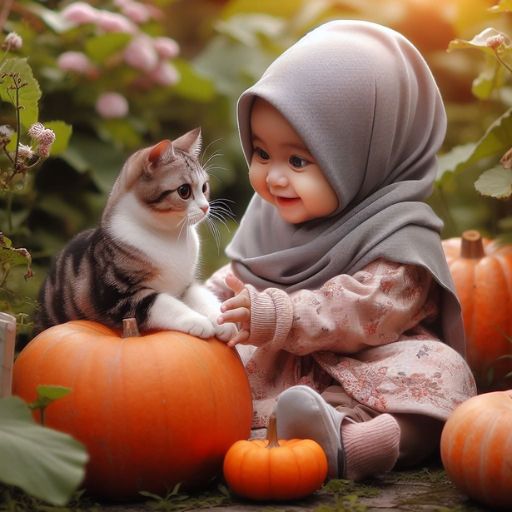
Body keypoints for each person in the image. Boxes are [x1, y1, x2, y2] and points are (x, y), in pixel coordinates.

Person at [207, 20, 477, 481]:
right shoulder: (268, 214)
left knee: (442, 376)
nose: (273, 178)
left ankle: (359, 444)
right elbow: (238, 278)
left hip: (371, 361)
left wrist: (280, 315)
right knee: (214, 369)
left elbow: (365, 311)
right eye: (261, 152)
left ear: (366, 153)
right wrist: (207, 305)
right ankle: (279, 430)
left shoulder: (400, 234)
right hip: (284, 361)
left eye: (298, 161)